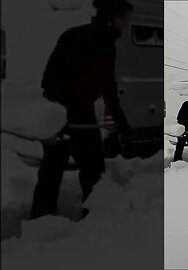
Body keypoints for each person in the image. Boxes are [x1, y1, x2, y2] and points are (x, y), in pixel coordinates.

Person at [30, 0, 134, 219]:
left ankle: (93, 220)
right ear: (110, 16)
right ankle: (41, 223)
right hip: (64, 117)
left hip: (83, 116)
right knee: (53, 171)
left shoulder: (108, 45)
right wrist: (64, 111)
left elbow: (108, 87)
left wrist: (121, 122)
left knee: (93, 171)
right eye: (123, 18)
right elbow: (51, 79)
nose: (126, 24)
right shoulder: (78, 38)